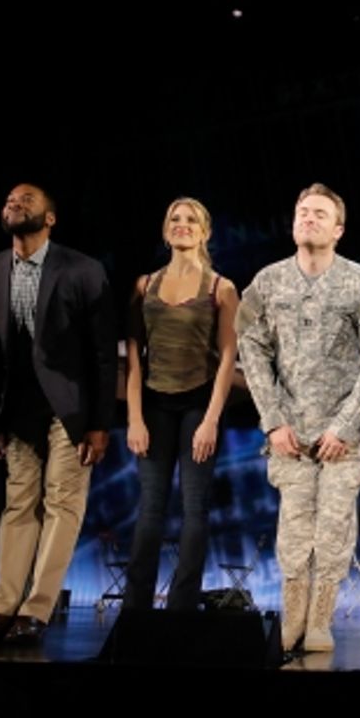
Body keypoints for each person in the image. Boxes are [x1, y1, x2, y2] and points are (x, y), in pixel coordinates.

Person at [0, 184, 116, 644]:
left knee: (62, 503)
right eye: (8, 199)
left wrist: (100, 423)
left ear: (50, 218)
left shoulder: (82, 269)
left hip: (72, 409)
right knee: (18, 505)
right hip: (18, 411)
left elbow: (104, 355)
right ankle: (2, 608)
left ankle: (36, 611)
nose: (15, 203)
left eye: (27, 199)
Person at [235, 183, 360, 653]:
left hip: (343, 437)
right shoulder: (267, 282)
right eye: (303, 212)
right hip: (290, 435)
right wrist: (273, 422)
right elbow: (250, 347)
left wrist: (344, 426)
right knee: (294, 528)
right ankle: (292, 618)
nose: (309, 219)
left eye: (320, 214)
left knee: (334, 527)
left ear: (338, 229)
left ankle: (321, 620)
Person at [123, 198, 239, 611]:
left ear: (205, 232)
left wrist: (210, 420)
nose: (182, 225)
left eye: (191, 220)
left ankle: (181, 605)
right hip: (154, 402)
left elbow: (228, 358)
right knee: (150, 506)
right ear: (165, 229)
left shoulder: (220, 287)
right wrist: (134, 418)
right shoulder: (144, 285)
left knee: (195, 508)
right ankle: (135, 606)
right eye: (175, 218)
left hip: (198, 404)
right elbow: (135, 356)